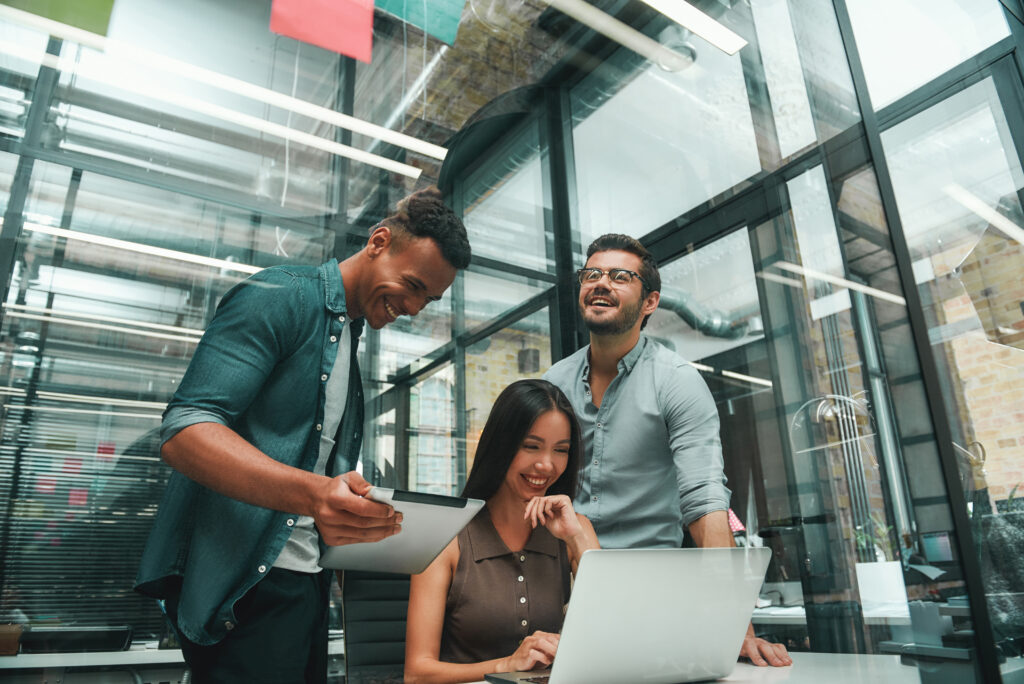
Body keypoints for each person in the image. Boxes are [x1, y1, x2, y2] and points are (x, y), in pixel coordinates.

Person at [135, 187, 471, 683]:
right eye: (413, 285)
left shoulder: (346, 341)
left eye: (430, 298)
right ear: (379, 241)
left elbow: (308, 470)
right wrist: (317, 495)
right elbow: (185, 430)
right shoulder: (281, 297)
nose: (417, 307)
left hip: (303, 582)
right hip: (245, 588)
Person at [543, 233, 791, 667]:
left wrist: (735, 623)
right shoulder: (554, 382)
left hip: (651, 595)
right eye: (593, 274)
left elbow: (705, 504)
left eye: (621, 277)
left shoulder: (676, 381)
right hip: (561, 591)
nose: (602, 283)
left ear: (650, 302)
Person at [404, 379, 600, 684]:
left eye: (561, 450)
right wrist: (507, 664)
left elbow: (611, 634)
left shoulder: (575, 528)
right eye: (531, 446)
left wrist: (576, 538)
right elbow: (417, 674)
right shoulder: (445, 537)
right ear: (501, 444)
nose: (546, 465)